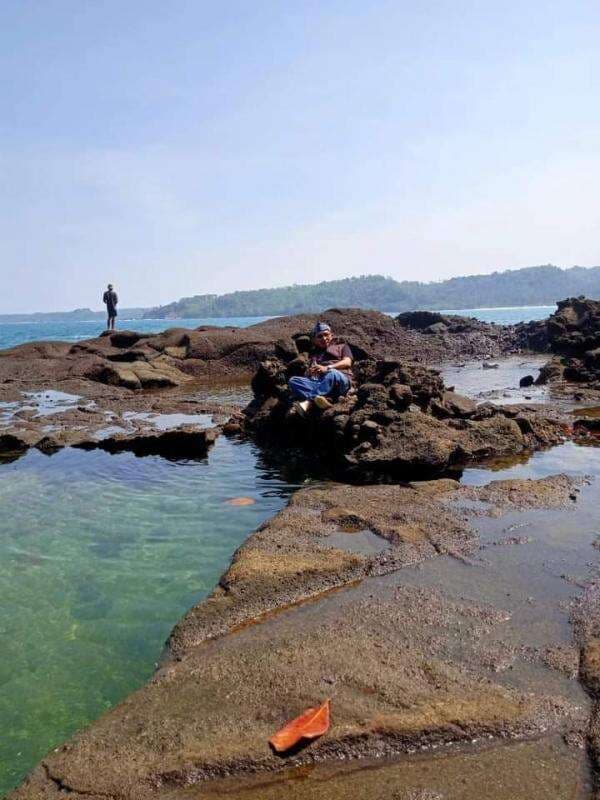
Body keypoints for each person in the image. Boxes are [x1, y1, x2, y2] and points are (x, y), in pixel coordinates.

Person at [288, 322, 353, 414]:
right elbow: (310, 374)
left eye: (326, 335)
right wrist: (309, 373)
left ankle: (309, 402)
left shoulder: (342, 346)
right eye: (320, 336)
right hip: (320, 382)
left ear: (331, 335)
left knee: (332, 373)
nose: (324, 338)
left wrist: (327, 367)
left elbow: (347, 362)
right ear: (315, 340)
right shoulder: (314, 355)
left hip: (340, 380)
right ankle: (325, 399)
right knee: (293, 381)